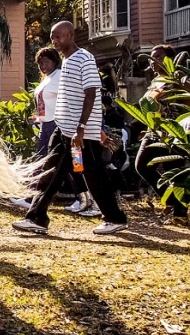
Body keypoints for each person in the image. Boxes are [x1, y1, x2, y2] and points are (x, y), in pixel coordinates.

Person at [12, 21, 129, 235]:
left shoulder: (84, 58)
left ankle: (114, 218)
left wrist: (84, 128)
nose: (55, 41)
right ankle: (37, 218)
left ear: (71, 35)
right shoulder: (66, 61)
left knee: (92, 174)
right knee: (52, 171)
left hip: (79, 133)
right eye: (52, 37)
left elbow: (91, 93)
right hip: (65, 129)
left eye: (59, 37)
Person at [134, 44, 187, 223]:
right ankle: (171, 201)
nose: (153, 61)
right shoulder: (155, 81)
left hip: (174, 131)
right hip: (154, 131)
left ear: (169, 60)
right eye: (152, 57)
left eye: (158, 57)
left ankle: (180, 214)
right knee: (141, 165)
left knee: (175, 172)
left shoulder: (178, 77)